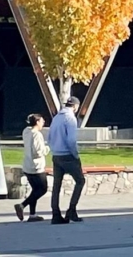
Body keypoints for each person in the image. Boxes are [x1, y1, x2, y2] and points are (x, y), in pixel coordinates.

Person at [48, 96, 85, 224]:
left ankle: (55, 213)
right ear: (75, 106)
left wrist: (54, 150)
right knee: (80, 181)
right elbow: (71, 140)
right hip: (68, 155)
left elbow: (49, 137)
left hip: (56, 155)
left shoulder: (56, 118)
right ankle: (71, 210)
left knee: (56, 185)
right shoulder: (70, 118)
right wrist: (75, 155)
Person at [14, 114, 49, 222]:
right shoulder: (37, 135)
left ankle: (32, 215)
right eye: (42, 121)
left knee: (35, 190)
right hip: (36, 167)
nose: (43, 123)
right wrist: (47, 149)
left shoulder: (26, 131)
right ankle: (22, 205)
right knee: (43, 189)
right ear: (37, 122)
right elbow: (38, 152)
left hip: (27, 165)